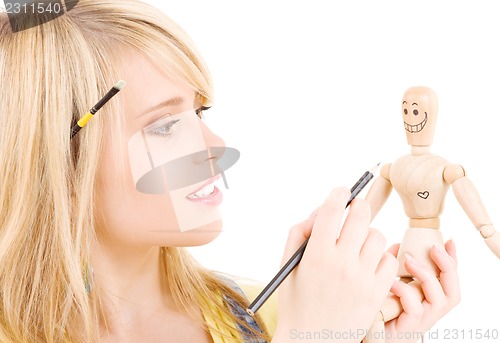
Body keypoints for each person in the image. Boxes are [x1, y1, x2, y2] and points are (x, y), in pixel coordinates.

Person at [0, 1, 459, 342]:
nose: (215, 147)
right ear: (59, 168)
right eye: (165, 126)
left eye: (199, 114)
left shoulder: (271, 313)